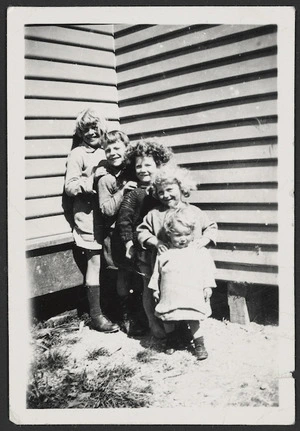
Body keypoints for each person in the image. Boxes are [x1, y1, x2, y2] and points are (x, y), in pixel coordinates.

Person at [136, 164, 218, 348]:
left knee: (190, 301)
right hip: (167, 271)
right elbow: (141, 231)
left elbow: (211, 227)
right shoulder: (154, 214)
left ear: (181, 188)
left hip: (190, 270)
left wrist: (204, 240)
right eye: (161, 191)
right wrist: (155, 242)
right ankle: (172, 336)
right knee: (169, 304)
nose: (165, 195)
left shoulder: (195, 212)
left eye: (170, 189)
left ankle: (195, 338)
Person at [64, 108, 119, 333]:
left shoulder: (109, 150)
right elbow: (70, 186)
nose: (90, 132)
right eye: (85, 129)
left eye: (94, 127)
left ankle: (116, 307)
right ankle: (96, 315)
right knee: (94, 263)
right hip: (89, 217)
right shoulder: (78, 154)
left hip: (111, 215)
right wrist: (89, 183)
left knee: (113, 260)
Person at [113, 139, 173, 337]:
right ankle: (153, 324)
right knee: (149, 286)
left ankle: (172, 324)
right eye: (138, 166)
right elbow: (124, 221)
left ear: (158, 165)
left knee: (168, 284)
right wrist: (129, 243)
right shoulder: (134, 194)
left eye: (148, 165)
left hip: (167, 247)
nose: (143, 169)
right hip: (144, 248)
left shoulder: (163, 191)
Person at [148, 206, 216, 360]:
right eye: (178, 235)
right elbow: (156, 273)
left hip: (191, 293)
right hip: (170, 293)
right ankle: (171, 340)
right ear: (169, 234)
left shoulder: (198, 251)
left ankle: (199, 343)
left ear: (192, 233)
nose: (183, 238)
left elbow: (207, 269)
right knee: (168, 317)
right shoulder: (165, 253)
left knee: (193, 318)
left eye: (186, 234)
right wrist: (155, 289)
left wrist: (207, 286)